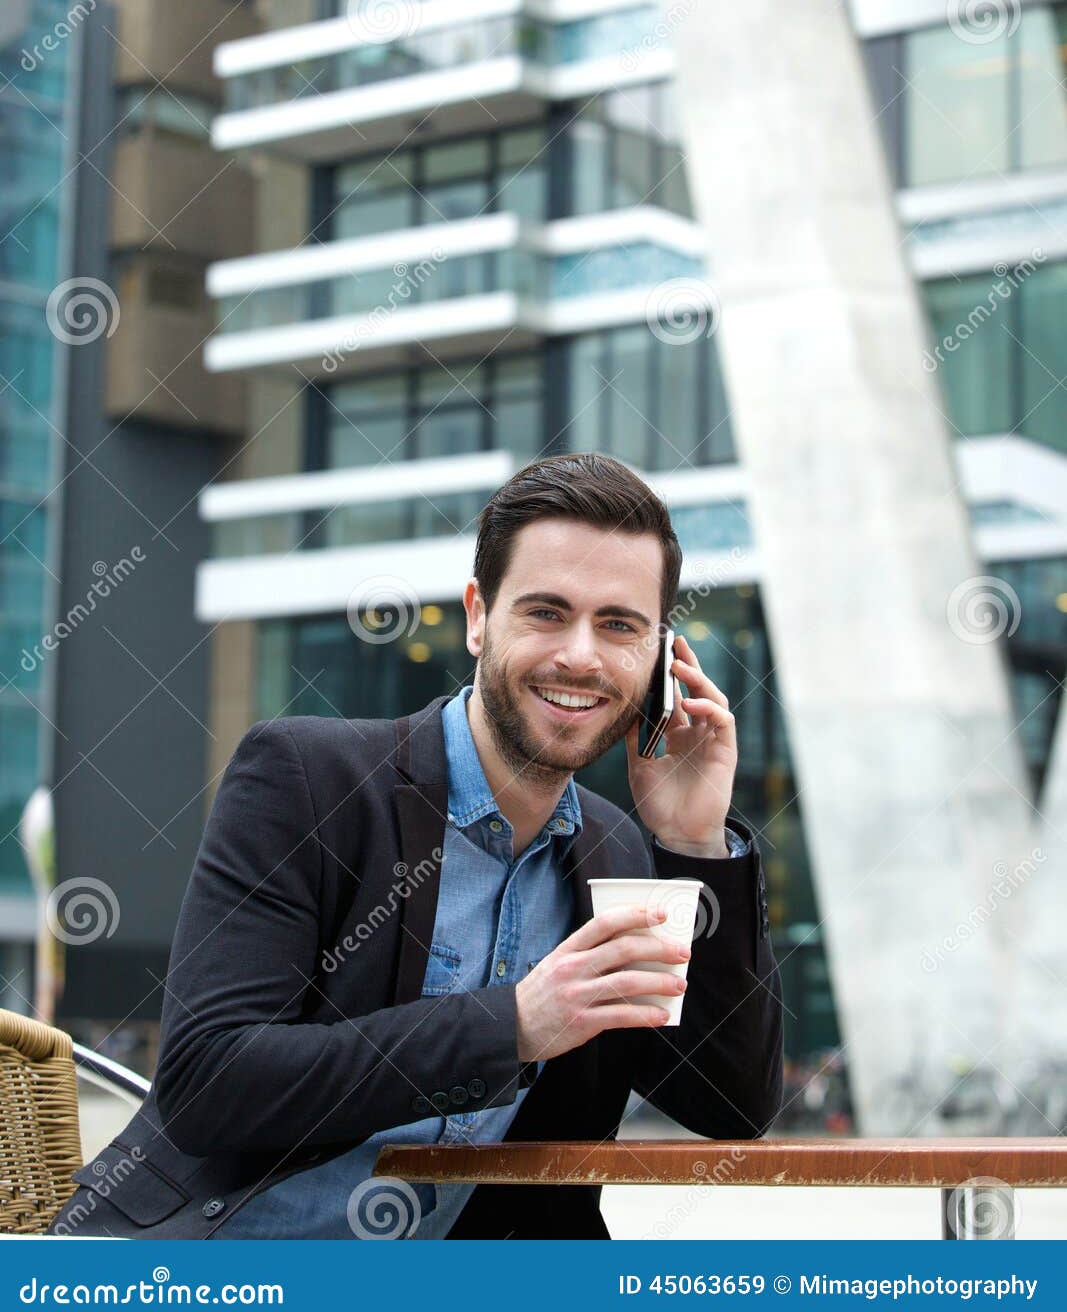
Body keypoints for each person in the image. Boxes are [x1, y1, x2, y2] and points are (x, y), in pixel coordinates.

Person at [49, 452, 782, 1240]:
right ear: (476, 616)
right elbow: (207, 1083)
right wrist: (513, 1025)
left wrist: (694, 840)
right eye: (545, 612)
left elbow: (728, 1106)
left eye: (618, 625)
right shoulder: (305, 778)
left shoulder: (617, 853)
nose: (580, 654)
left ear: (656, 658)